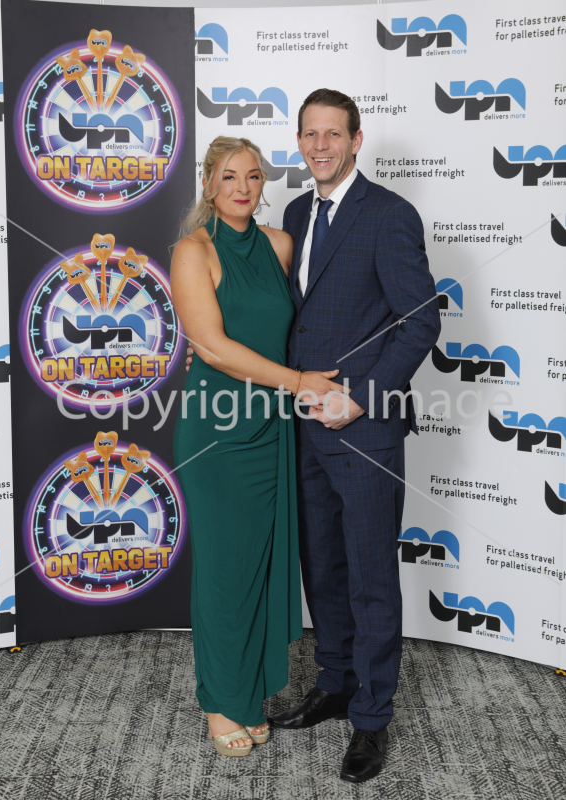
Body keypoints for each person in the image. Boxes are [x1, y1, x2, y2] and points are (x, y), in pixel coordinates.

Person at [263, 89, 441, 783]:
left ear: (356, 140)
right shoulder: (295, 213)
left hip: (365, 430)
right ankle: (335, 683)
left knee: (369, 576)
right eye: (309, 134)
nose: (320, 146)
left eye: (332, 134)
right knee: (323, 566)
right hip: (304, 426)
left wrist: (360, 397)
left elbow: (420, 321)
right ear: (299, 141)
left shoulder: (389, 214)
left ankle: (371, 717)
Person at [171, 136, 346, 757]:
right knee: (224, 569)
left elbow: (294, 326)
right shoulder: (193, 251)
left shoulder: (279, 245)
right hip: (216, 432)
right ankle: (222, 701)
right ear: (208, 184)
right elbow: (212, 346)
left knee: (260, 565)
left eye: (252, 176)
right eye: (228, 176)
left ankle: (247, 691)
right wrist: (299, 383)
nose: (242, 187)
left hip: (272, 427)